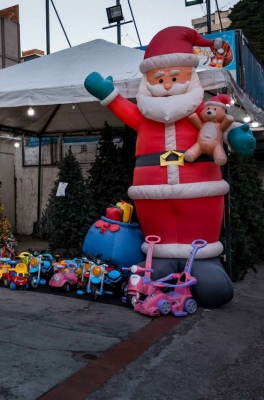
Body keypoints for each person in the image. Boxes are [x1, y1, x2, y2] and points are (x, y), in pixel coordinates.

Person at [84, 26, 256, 308]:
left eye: (174, 77)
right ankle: (160, 259)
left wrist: (235, 134)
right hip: (153, 194)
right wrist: (107, 93)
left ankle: (204, 262)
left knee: (212, 284)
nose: (166, 85)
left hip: (201, 190)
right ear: (147, 79)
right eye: (159, 78)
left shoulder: (203, 109)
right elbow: (125, 109)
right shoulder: (144, 116)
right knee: (157, 239)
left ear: (190, 76)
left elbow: (221, 122)